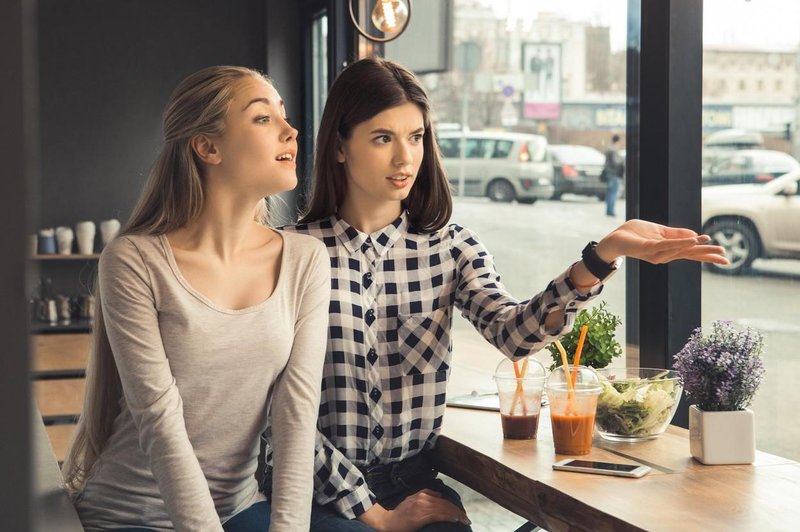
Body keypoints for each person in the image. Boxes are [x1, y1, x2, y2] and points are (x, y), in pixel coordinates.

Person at [277, 57, 728, 532]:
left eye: (416, 137)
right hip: (315, 492)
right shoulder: (288, 253)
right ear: (341, 146)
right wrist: (375, 515)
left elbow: (514, 335)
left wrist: (601, 257)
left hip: (415, 485)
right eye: (382, 137)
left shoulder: (452, 248)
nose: (405, 158)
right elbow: (277, 410)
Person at [63, 66, 330, 531]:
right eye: (263, 119)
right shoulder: (133, 261)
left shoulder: (306, 260)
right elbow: (159, 422)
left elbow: (297, 412)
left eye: (284, 115)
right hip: (131, 516)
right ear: (208, 147)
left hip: (240, 511)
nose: (291, 131)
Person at [603, 133, 625, 217]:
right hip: (614, 174)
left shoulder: (609, 148)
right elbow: (615, 162)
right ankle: (610, 211)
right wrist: (621, 160)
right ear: (618, 141)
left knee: (609, 192)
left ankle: (609, 210)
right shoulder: (613, 150)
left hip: (609, 174)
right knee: (613, 193)